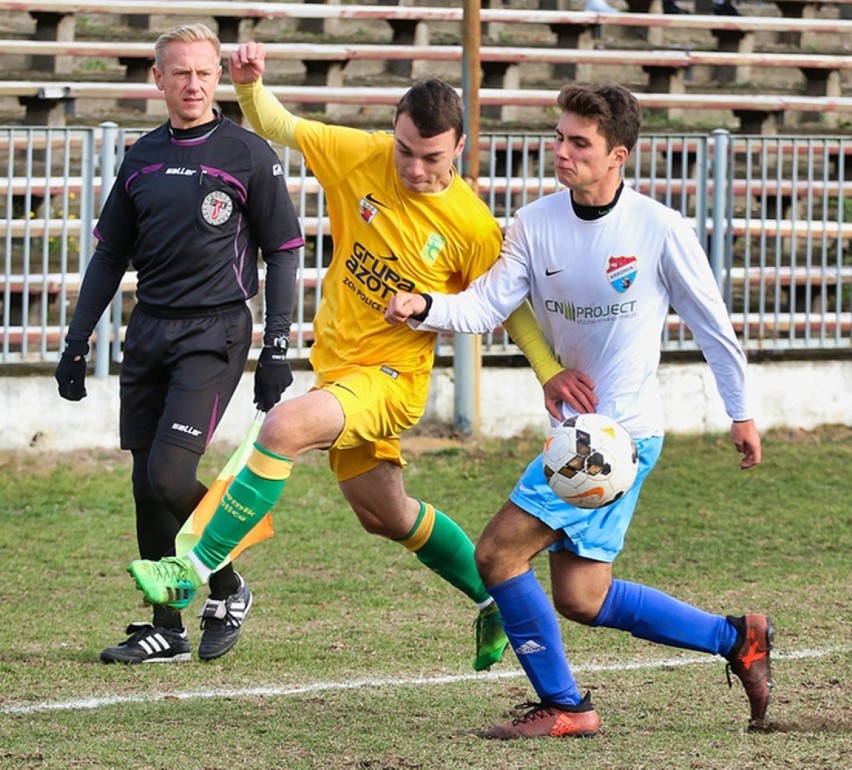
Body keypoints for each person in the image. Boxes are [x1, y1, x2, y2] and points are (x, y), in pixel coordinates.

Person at [124, 43, 565, 672]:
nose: (414, 167)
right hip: (338, 371)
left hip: (390, 380)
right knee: (384, 514)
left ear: (460, 148)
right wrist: (250, 87)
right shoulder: (362, 156)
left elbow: (508, 307)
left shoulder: (471, 225)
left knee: (284, 426)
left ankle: (191, 569)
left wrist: (549, 374)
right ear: (394, 134)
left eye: (431, 157)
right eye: (405, 150)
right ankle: (495, 595)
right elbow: (280, 125)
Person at [384, 83, 772, 739]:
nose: (560, 151)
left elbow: (713, 328)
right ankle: (738, 639)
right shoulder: (535, 224)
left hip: (619, 442)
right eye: (559, 137)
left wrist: (742, 413)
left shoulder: (659, 229)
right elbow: (484, 306)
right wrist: (425, 306)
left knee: (498, 554)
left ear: (618, 155)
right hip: (574, 436)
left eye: (579, 142)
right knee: (582, 597)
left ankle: (567, 707)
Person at [54, 24, 304, 664]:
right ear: (157, 78)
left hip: (215, 331)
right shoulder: (140, 157)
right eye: (180, 72)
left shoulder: (248, 153)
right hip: (149, 330)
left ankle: (229, 584)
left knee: (170, 474)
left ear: (218, 77)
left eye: (204, 72)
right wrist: (77, 340)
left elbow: (283, 252)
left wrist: (277, 349)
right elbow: (110, 256)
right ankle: (166, 625)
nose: (193, 84)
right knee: (145, 483)